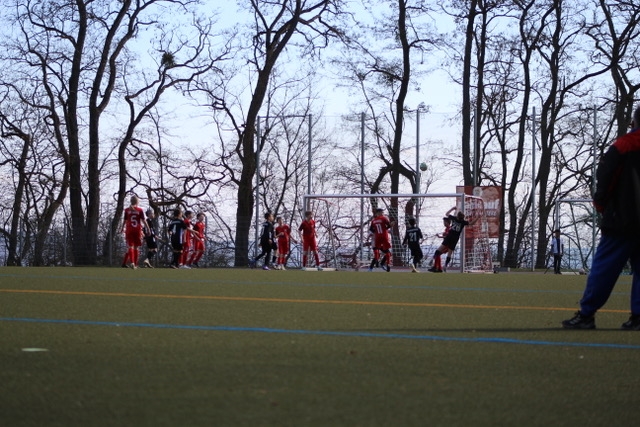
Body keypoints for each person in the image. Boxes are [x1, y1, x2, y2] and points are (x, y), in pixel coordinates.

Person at [562, 106, 640, 331]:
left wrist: (601, 204)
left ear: (635, 122)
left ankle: (587, 314)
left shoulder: (624, 145)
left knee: (604, 269)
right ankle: (638, 318)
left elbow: (605, 177)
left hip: (622, 220)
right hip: (625, 218)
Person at [429, 208, 478, 273]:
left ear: (457, 216)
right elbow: (471, 223)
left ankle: (433, 259)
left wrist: (453, 208)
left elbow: (447, 214)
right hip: (455, 239)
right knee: (449, 253)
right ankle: (445, 266)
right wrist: (477, 218)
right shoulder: (463, 222)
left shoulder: (454, 218)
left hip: (449, 236)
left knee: (439, 250)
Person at [121, 195, 149, 269]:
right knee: (136, 247)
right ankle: (135, 264)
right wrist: (148, 229)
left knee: (130, 246)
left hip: (129, 230)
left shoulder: (127, 210)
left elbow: (125, 220)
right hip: (137, 230)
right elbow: (143, 220)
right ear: (137, 202)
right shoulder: (139, 210)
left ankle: (132, 262)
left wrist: (122, 228)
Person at [368, 208, 393, 272]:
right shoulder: (384, 218)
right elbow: (388, 225)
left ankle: (374, 266)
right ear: (379, 213)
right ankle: (387, 265)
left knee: (377, 254)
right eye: (382, 212)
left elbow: (371, 229)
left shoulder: (373, 221)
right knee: (387, 253)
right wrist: (390, 226)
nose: (383, 213)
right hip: (384, 237)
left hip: (377, 238)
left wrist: (374, 232)